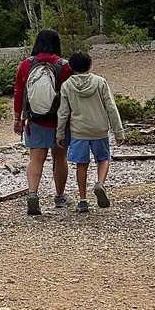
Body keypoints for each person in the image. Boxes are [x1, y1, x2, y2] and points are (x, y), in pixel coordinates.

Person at [13, 29, 73, 216]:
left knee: (35, 159)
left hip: (34, 120)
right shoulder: (65, 66)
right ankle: (60, 196)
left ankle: (33, 194)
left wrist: (17, 119)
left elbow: (19, 93)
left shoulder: (26, 65)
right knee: (60, 158)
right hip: (60, 121)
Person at [55, 52, 125, 213]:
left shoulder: (67, 85)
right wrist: (118, 131)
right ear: (90, 65)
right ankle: (100, 183)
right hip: (99, 129)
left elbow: (63, 112)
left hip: (79, 131)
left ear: (71, 67)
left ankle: (83, 200)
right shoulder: (100, 82)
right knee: (103, 158)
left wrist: (60, 133)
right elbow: (111, 107)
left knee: (82, 164)